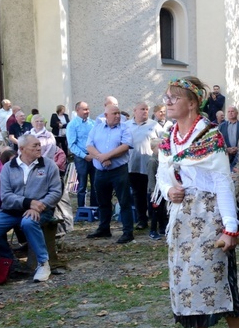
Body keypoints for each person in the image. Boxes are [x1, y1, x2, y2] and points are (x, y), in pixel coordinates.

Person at [154, 76, 239, 328]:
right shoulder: (170, 137)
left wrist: (230, 227)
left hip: (210, 215)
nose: (168, 102)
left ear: (193, 103)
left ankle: (236, 325)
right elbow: (162, 174)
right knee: (185, 279)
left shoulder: (210, 136)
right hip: (182, 216)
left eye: (175, 97)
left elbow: (223, 182)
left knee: (214, 272)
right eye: (167, 97)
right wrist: (168, 189)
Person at [0, 134, 62, 282]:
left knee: (28, 222)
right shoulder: (8, 168)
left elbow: (56, 192)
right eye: (35, 146)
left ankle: (43, 263)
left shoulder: (49, 165)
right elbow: (5, 195)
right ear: (22, 149)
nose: (39, 148)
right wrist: (28, 203)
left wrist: (38, 206)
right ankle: (11, 263)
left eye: (39, 144)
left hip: (42, 209)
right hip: (12, 211)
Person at [86, 102, 135, 244]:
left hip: (118, 171)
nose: (118, 116)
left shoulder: (124, 128)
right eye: (114, 113)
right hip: (101, 172)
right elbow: (89, 145)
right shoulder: (97, 128)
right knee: (103, 202)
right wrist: (101, 158)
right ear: (106, 115)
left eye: (119, 113)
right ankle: (104, 228)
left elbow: (125, 146)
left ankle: (127, 232)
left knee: (124, 201)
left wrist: (106, 156)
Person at [126, 102, 165, 230]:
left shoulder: (154, 125)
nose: (145, 111)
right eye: (142, 109)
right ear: (134, 111)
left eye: (147, 109)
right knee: (138, 194)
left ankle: (156, 219)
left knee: (151, 193)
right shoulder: (126, 126)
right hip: (133, 166)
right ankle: (142, 220)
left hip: (149, 166)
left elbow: (163, 142)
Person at [67, 101, 97, 208]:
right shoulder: (72, 125)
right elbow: (72, 145)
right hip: (81, 158)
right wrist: (84, 156)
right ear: (77, 110)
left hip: (94, 157)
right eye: (84, 109)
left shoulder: (93, 123)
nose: (87, 111)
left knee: (95, 184)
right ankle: (81, 209)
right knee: (82, 184)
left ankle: (94, 208)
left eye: (88, 109)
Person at [146, 138, 166, 239]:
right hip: (155, 191)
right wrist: (153, 191)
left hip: (162, 189)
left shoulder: (162, 160)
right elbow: (151, 177)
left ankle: (162, 227)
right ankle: (153, 230)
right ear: (153, 148)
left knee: (162, 209)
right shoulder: (153, 161)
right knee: (155, 211)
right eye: (159, 147)